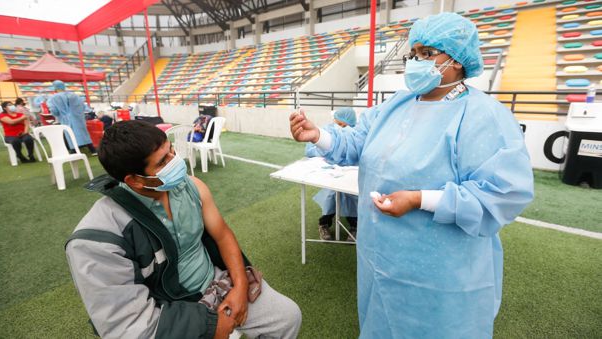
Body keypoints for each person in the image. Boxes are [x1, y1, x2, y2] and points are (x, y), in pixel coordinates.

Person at [289, 12, 534, 338]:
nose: (417, 62)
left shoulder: (482, 116)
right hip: (380, 257)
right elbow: (357, 141)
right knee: (382, 321)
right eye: (414, 53)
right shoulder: (396, 105)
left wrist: (421, 200)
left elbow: (503, 193)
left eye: (428, 54)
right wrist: (317, 135)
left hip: (441, 272)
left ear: (458, 60)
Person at [66, 120, 301, 339]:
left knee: (287, 317)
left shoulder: (192, 186)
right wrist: (211, 327)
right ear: (135, 181)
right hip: (168, 308)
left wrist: (239, 287)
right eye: (162, 162)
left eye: (171, 151)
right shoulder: (100, 240)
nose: (175, 160)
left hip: (217, 281)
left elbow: (223, 235)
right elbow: (130, 326)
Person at [305, 107, 358, 241]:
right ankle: (324, 224)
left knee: (351, 197)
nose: (341, 128)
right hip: (330, 174)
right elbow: (310, 149)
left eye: (344, 126)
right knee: (331, 196)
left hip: (349, 174)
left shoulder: (356, 134)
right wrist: (322, 152)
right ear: (334, 120)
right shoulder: (326, 130)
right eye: (339, 124)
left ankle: (354, 226)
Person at [47, 80, 97, 155]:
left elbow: (54, 111)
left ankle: (74, 151)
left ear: (54, 88)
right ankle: (93, 150)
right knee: (83, 133)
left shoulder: (52, 98)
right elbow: (83, 106)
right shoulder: (74, 95)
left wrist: (59, 114)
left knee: (69, 134)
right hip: (78, 118)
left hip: (65, 119)